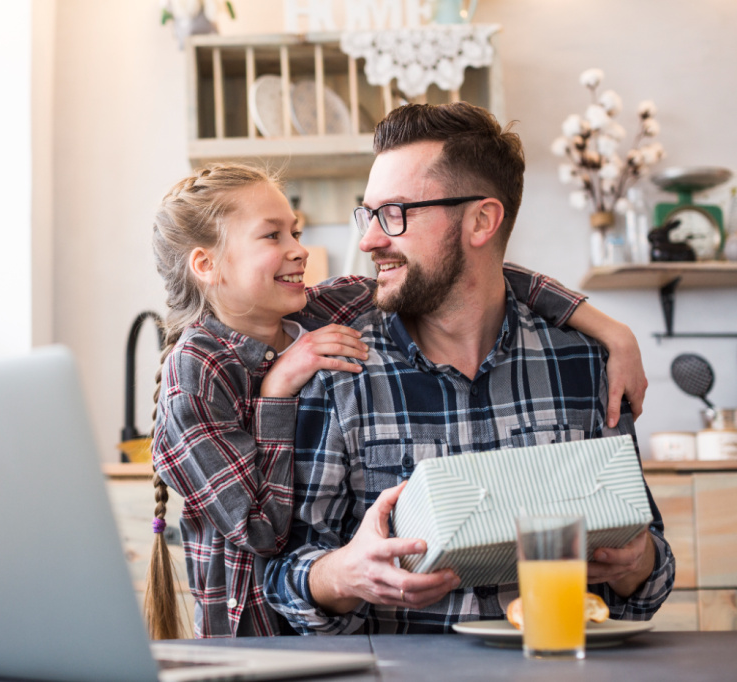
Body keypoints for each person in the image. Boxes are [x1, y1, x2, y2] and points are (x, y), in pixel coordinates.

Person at [146, 162, 649, 639]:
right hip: (248, 633)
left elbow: (475, 271)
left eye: (295, 232)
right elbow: (260, 532)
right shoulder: (193, 374)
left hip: (312, 638)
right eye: (272, 235)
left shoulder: (321, 309)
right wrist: (278, 389)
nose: (299, 249)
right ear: (207, 264)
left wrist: (609, 329)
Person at [263, 102, 675, 635]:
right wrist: (344, 575)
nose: (368, 240)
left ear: (482, 220)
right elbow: (279, 579)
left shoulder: (586, 362)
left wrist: (635, 564)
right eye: (368, 214)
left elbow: (649, 582)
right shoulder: (339, 367)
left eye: (396, 213)